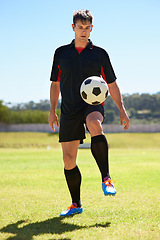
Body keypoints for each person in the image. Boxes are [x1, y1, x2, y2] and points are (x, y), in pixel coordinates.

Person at [48, 10, 129, 216]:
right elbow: (55, 84)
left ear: (91, 28)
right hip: (69, 109)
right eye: (80, 27)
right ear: (73, 27)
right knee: (68, 160)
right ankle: (76, 204)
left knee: (95, 124)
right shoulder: (61, 53)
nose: (83, 31)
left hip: (92, 104)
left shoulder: (100, 53)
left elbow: (112, 83)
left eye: (87, 27)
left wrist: (122, 109)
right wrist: (52, 111)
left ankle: (106, 178)